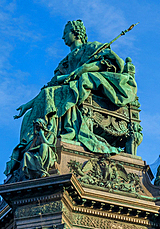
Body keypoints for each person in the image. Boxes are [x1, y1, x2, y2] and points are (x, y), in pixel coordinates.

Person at [14, 20, 138, 156]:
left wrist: (84, 69)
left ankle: (64, 131)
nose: (63, 37)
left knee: (66, 91)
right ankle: (36, 141)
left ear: (75, 32)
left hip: (89, 89)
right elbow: (50, 87)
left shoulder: (92, 48)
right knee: (29, 115)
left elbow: (110, 64)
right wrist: (27, 105)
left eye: (65, 33)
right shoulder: (65, 62)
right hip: (66, 89)